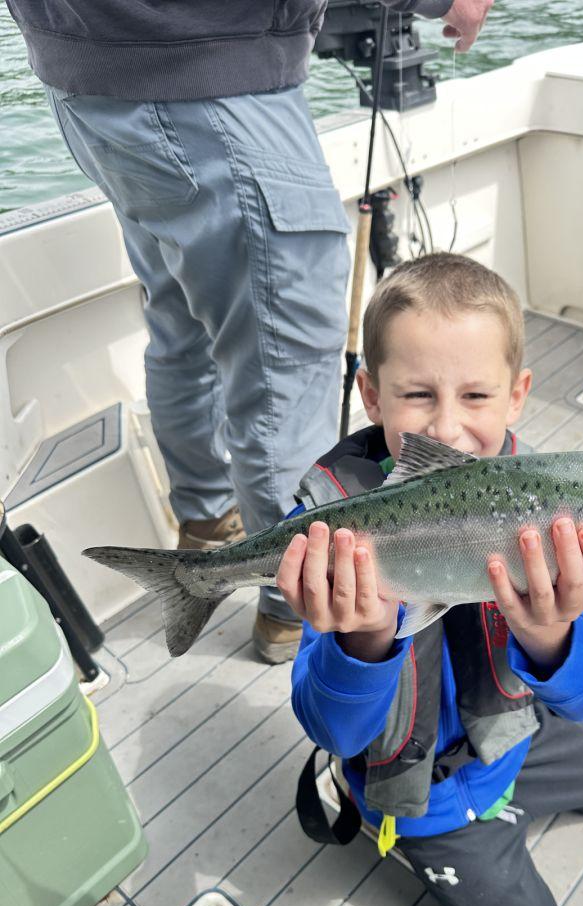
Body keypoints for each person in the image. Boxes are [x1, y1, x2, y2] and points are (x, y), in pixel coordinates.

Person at [5, 0, 494, 663]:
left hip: (91, 75)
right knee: (285, 366)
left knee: (183, 325)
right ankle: (296, 601)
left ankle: (206, 526)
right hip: (210, 81)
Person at [276, 253, 583, 906]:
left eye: (476, 395)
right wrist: (364, 638)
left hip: (507, 744)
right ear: (371, 396)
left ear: (517, 397)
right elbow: (335, 729)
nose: (447, 427)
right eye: (417, 395)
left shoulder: (542, 504)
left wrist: (551, 636)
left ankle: (504, 800)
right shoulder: (329, 528)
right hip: (422, 792)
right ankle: (421, 833)